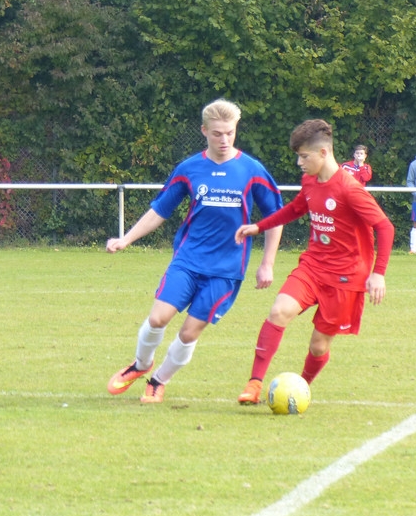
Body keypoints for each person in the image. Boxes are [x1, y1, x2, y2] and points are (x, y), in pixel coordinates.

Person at [105, 98, 284, 404]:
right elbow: (160, 210)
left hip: (226, 270)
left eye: (230, 133)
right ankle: (141, 364)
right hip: (188, 261)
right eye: (217, 133)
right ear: (204, 131)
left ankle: (158, 381)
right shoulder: (189, 168)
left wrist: (267, 264)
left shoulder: (252, 170)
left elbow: (275, 218)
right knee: (158, 318)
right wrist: (127, 239)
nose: (224, 139)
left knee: (189, 333)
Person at [234, 119, 394, 404]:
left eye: (304, 156)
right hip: (313, 267)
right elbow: (295, 209)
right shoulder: (310, 181)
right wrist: (259, 227)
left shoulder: (349, 189)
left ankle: (299, 389)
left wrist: (378, 273)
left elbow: (385, 226)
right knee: (279, 311)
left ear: (323, 153)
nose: (299, 163)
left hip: (346, 277)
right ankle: (254, 384)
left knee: (319, 346)